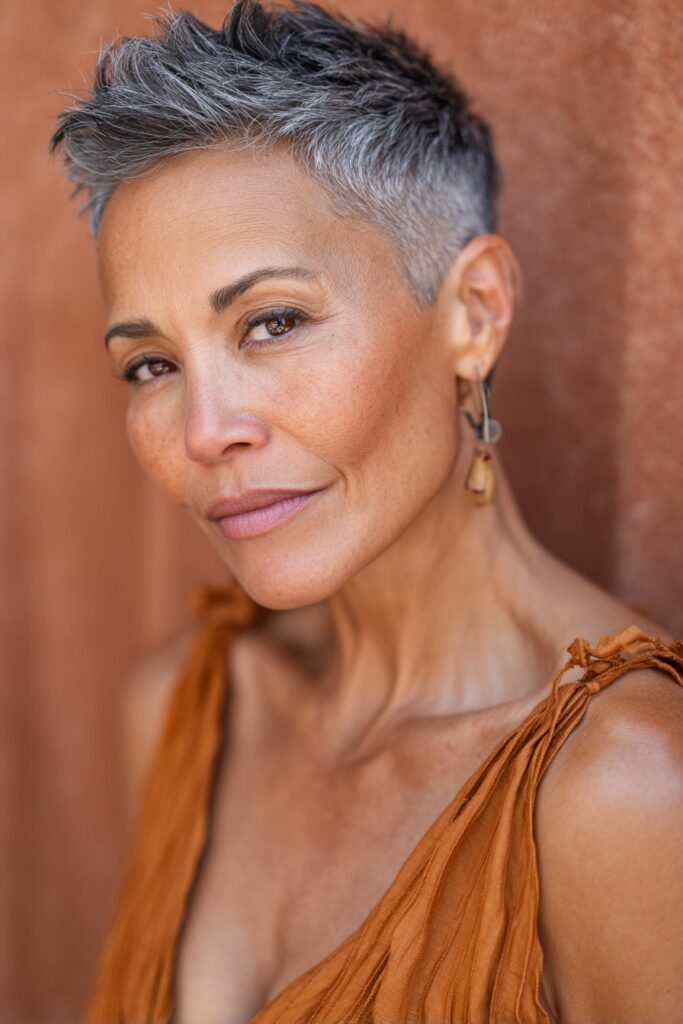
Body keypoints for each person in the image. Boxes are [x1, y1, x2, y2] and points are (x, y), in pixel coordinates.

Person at [50, 2, 683, 1022]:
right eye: (152, 363)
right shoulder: (183, 709)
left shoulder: (624, 790)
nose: (205, 429)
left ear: (472, 313)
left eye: (273, 321)